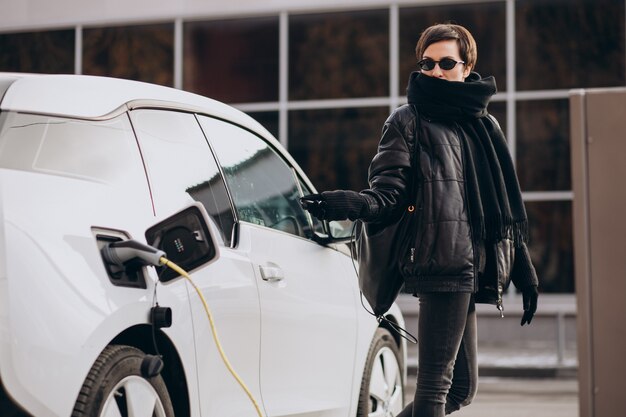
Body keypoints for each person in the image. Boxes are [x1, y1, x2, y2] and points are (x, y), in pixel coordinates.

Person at [300, 23, 539, 417]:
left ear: (467, 66)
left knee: (460, 388)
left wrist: (523, 270)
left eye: (446, 62)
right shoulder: (408, 121)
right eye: (427, 63)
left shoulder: (485, 124)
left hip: (474, 267)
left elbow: (503, 208)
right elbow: (389, 195)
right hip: (441, 263)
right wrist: (350, 203)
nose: (435, 71)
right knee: (435, 389)